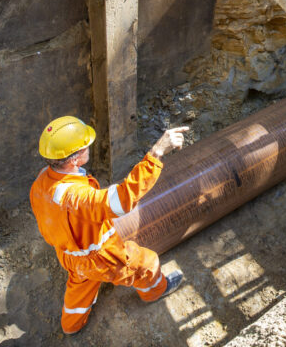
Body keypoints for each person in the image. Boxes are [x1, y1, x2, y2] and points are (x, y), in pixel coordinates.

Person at [30, 116, 189, 334]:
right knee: (145, 264)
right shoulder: (76, 197)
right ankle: (155, 291)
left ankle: (71, 325)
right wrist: (156, 153)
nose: (89, 147)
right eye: (85, 146)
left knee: (80, 284)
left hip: (69, 254)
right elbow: (121, 200)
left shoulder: (42, 181)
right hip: (99, 257)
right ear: (74, 159)